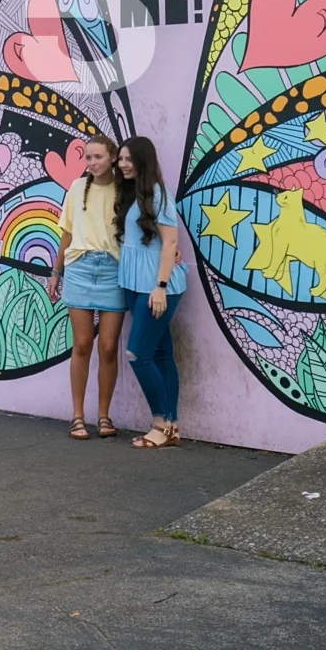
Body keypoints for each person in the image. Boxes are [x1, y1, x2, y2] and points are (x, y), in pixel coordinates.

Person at [47, 134, 127, 440]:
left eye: (98, 157)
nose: (92, 163)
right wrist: (56, 272)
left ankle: (103, 417)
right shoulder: (77, 188)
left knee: (108, 347)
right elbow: (66, 234)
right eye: (88, 158)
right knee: (82, 344)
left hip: (113, 271)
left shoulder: (125, 189)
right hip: (79, 268)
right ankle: (77, 417)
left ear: (112, 158)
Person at [117, 137, 186, 450]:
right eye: (120, 159)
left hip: (156, 287)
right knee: (160, 354)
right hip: (134, 284)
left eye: (129, 159)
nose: (123, 164)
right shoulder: (133, 194)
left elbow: (170, 243)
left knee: (138, 354)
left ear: (143, 160)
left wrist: (159, 288)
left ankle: (160, 423)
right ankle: (170, 426)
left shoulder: (158, 194)